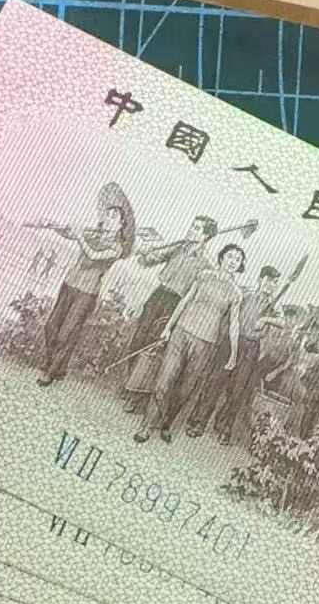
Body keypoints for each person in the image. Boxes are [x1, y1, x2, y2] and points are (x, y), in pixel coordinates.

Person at [135, 242, 246, 443]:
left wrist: (233, 354)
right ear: (222, 258)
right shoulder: (204, 275)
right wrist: (168, 327)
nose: (233, 261)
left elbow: (234, 325)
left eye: (237, 259)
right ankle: (146, 425)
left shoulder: (236, 293)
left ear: (240, 265)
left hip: (205, 343)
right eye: (230, 256)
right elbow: (185, 301)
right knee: (164, 380)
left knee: (185, 388)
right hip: (181, 332)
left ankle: (166, 423)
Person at [30, 184, 135, 385]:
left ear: (121, 225)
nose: (108, 219)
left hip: (87, 293)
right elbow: (69, 234)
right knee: (51, 326)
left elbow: (93, 255)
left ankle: (51, 371)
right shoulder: (94, 234)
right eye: (107, 215)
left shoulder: (117, 248)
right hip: (70, 284)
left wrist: (79, 235)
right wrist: (53, 225)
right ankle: (55, 365)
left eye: (114, 217)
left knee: (67, 332)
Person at [120, 214, 218, 410]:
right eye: (192, 225)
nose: (191, 230)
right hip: (158, 295)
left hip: (175, 303)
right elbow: (149, 260)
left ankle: (138, 398)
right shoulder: (178, 247)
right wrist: (145, 253)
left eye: (197, 228)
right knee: (139, 338)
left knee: (154, 347)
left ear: (205, 236)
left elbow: (200, 294)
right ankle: (129, 385)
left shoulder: (206, 264)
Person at [199, 264, 282, 445]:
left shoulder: (274, 305)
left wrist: (266, 319)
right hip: (232, 341)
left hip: (251, 348)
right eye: (269, 280)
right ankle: (198, 422)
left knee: (238, 389)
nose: (272, 285)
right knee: (215, 381)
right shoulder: (245, 293)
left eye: (275, 282)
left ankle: (224, 427)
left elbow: (283, 322)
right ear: (260, 279)